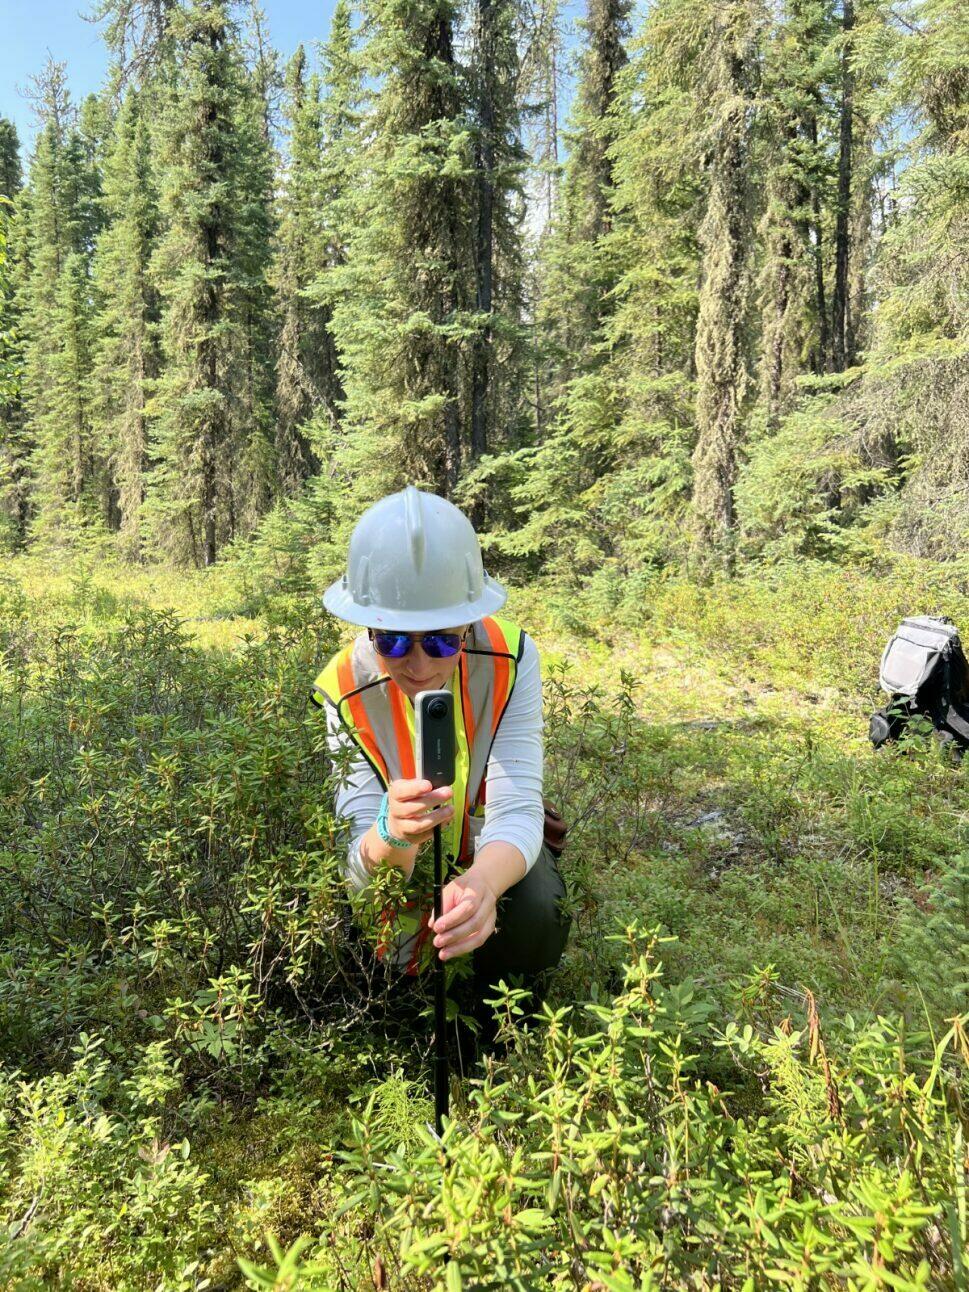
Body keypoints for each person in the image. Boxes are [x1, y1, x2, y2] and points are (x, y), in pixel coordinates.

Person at [310, 485, 571, 1057]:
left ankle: (507, 1012)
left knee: (535, 909)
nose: (419, 663)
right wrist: (390, 833)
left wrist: (481, 885)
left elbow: (518, 808)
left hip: (482, 848)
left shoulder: (511, 659)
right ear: (366, 628)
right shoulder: (343, 690)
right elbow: (357, 865)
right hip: (400, 868)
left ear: (470, 622)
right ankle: (410, 1011)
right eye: (394, 640)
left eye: (441, 640)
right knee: (383, 941)